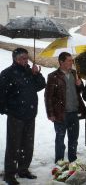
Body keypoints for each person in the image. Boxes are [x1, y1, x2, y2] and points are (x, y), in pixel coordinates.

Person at [0, 48, 46, 185]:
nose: (26, 60)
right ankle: (9, 175)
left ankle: (23, 169)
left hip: (30, 114)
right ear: (16, 59)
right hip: (16, 115)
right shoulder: (7, 73)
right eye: (23, 58)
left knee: (27, 144)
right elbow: (1, 94)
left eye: (27, 58)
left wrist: (36, 74)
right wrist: (7, 109)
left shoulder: (30, 72)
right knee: (13, 146)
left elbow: (40, 85)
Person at [45, 52, 86, 164]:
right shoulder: (53, 76)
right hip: (60, 114)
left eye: (71, 60)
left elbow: (82, 91)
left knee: (73, 139)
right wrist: (50, 114)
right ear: (61, 62)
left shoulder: (75, 73)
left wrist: (80, 85)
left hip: (74, 112)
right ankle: (60, 161)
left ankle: (73, 160)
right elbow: (48, 97)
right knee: (60, 139)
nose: (71, 62)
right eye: (69, 60)